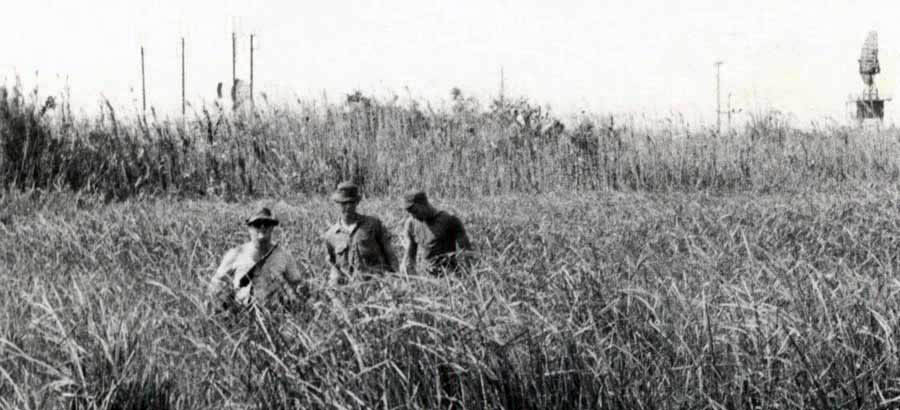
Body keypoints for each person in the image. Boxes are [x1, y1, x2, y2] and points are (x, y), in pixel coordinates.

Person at [208, 207, 306, 311]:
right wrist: (224, 305)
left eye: (267, 223)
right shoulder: (236, 254)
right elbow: (216, 282)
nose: (262, 227)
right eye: (257, 224)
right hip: (242, 315)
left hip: (274, 316)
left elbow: (297, 284)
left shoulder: (284, 255)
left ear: (272, 227)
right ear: (249, 228)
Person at [322, 182, 399, 285]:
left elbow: (390, 253)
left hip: (378, 285)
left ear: (357, 202)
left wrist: (397, 278)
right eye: (344, 203)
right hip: (351, 290)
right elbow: (333, 266)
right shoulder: (331, 235)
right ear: (338, 203)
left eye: (351, 202)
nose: (348, 207)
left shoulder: (373, 224)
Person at [400, 190, 473, 276]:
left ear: (424, 204)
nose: (413, 216)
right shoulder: (411, 224)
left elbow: (466, 250)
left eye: (415, 211)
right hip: (427, 276)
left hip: (449, 275)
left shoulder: (449, 219)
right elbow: (410, 256)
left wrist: (468, 275)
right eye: (410, 213)